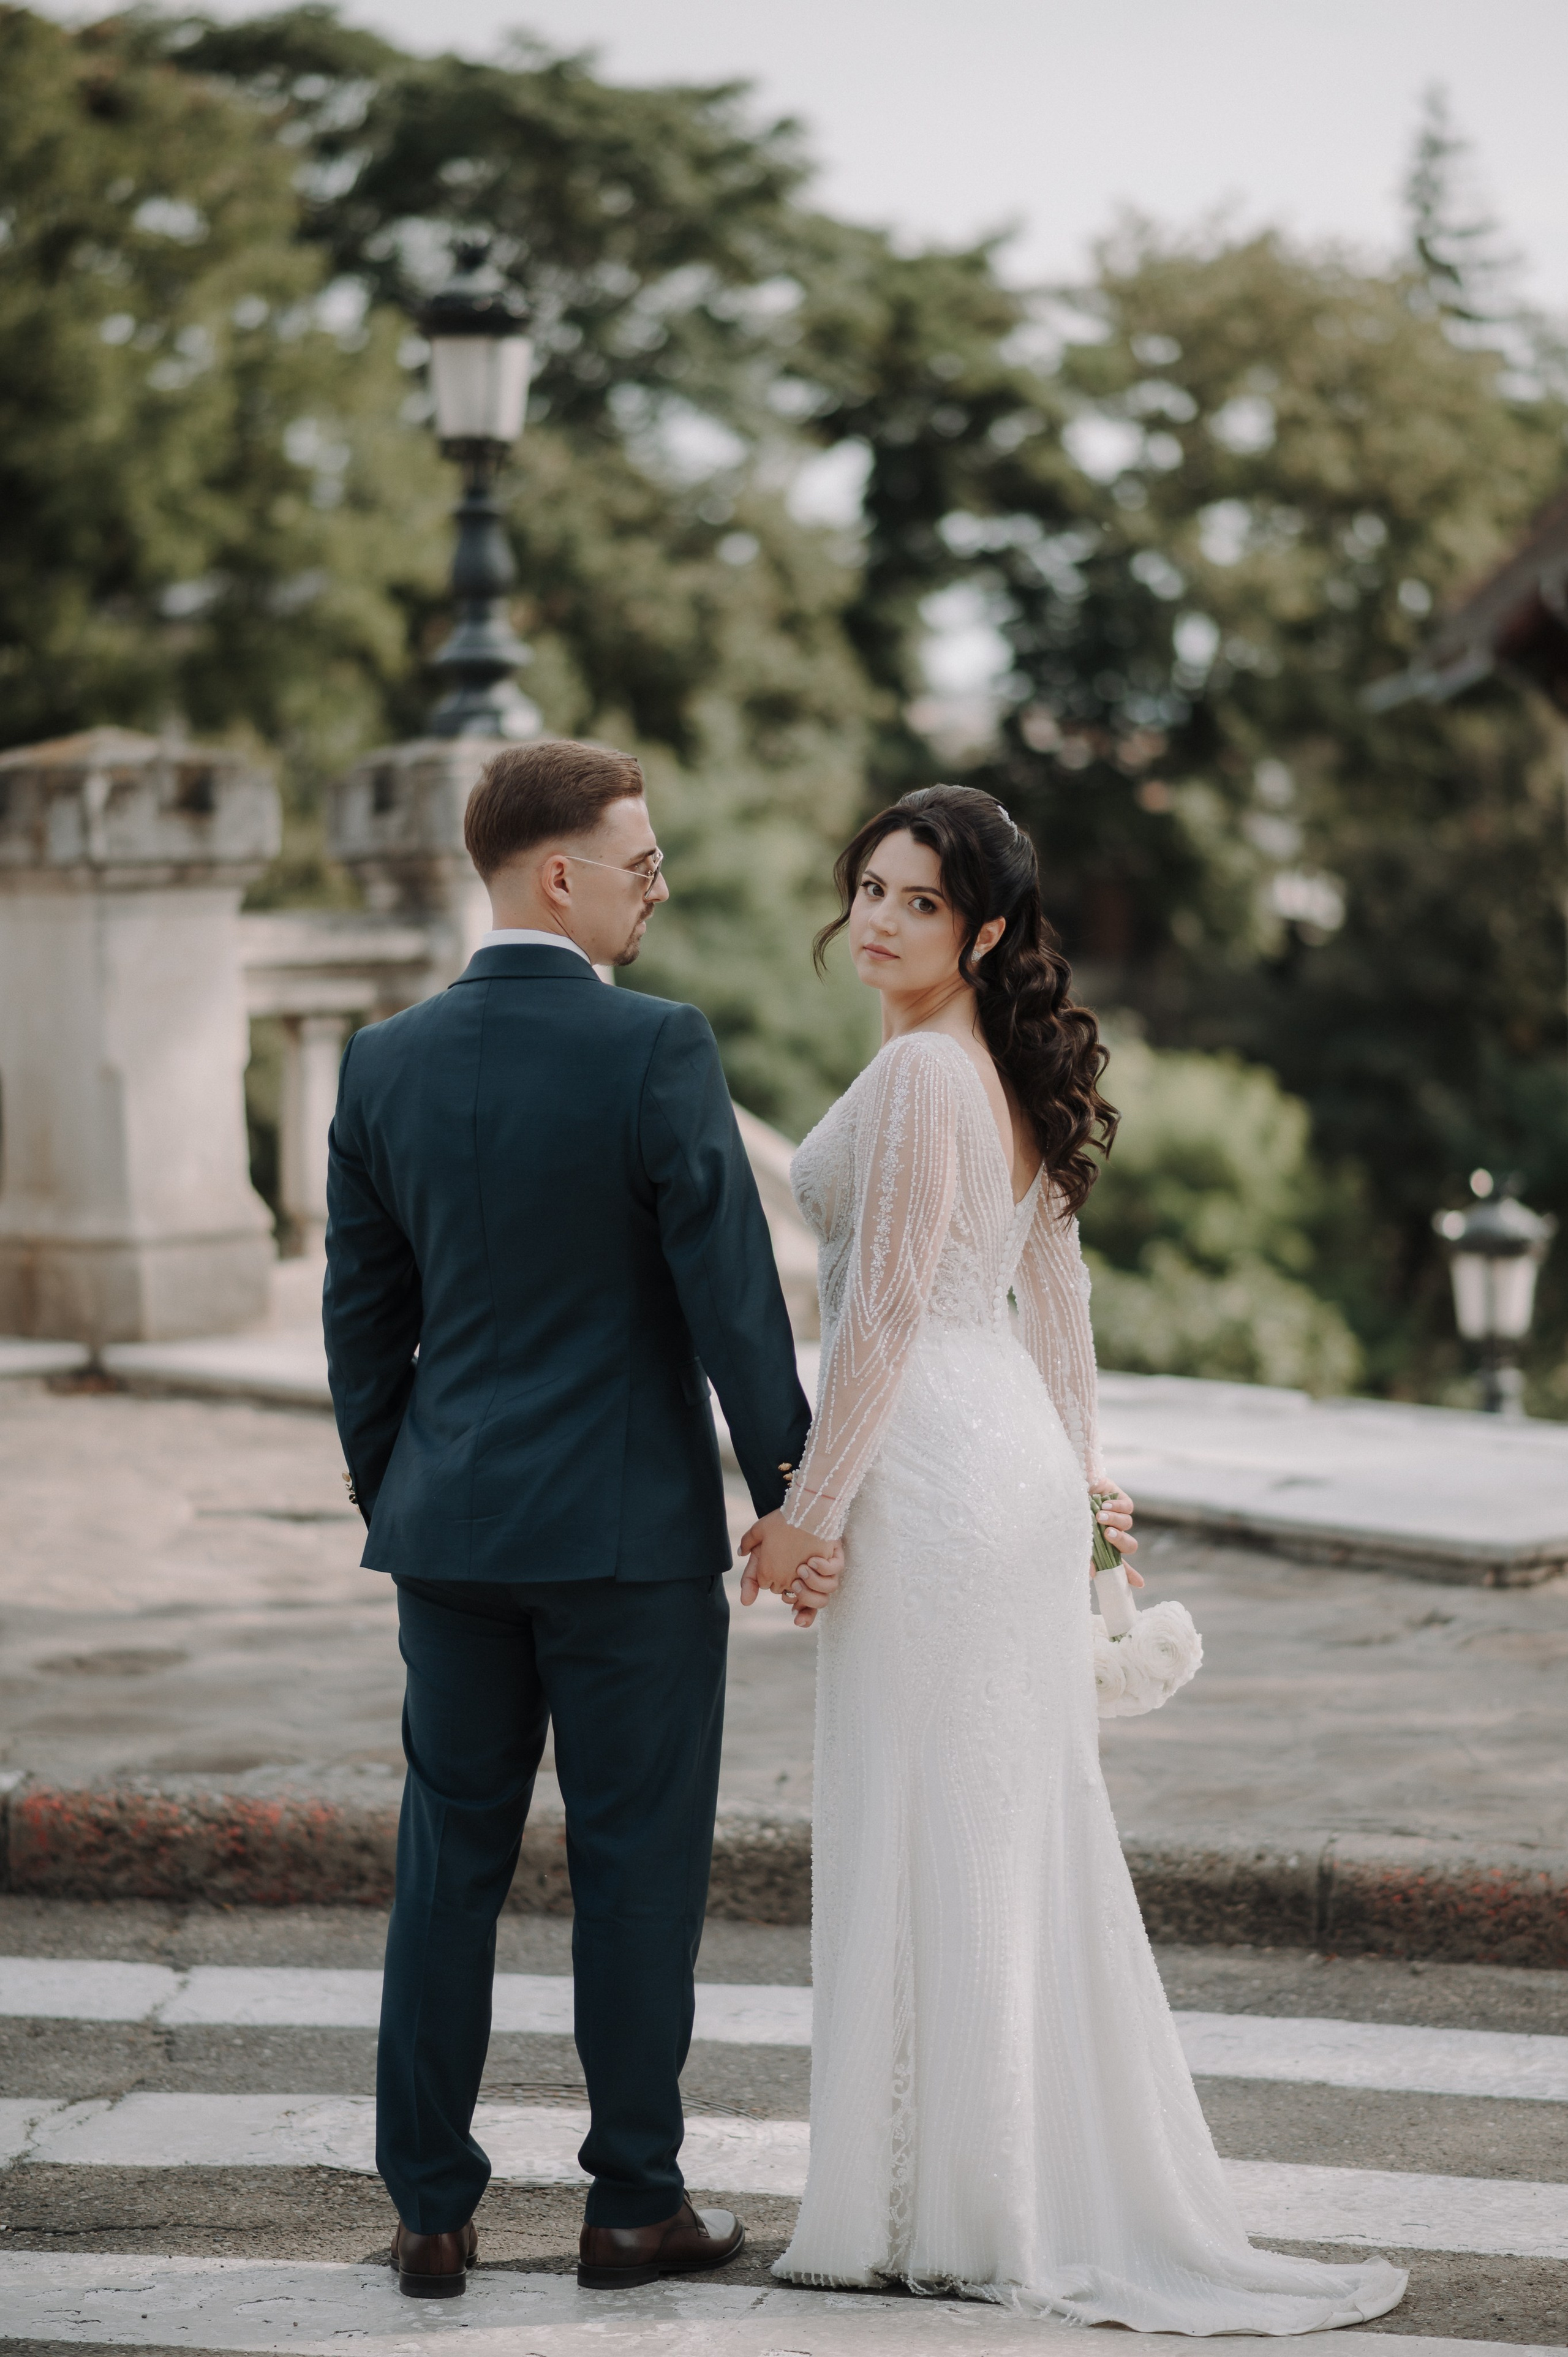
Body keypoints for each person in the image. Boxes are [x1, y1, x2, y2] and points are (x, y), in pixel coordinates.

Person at [742, 785, 1407, 2334]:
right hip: (1000, 1471)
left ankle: (950, 2209)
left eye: (915, 901)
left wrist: (806, 1516)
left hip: (929, 1478)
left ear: (979, 931)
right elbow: (1058, 1303)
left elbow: (889, 1320)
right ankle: (977, 2192)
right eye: (869, 889)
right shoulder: (992, 1069)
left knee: (933, 1821)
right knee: (989, 1828)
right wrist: (1082, 1474)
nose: (878, 918)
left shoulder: (919, 1073)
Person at [323, 737, 839, 2300]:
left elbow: (364, 1323)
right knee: (634, 1870)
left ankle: (429, 2208)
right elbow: (734, 1302)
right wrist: (790, 1497)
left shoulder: (381, 1060)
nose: (658, 885)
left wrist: (397, 1487)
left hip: (451, 1536)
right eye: (642, 858)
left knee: (446, 1865)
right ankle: (632, 2205)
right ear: (563, 875)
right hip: (624, 1547)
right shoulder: (656, 1048)